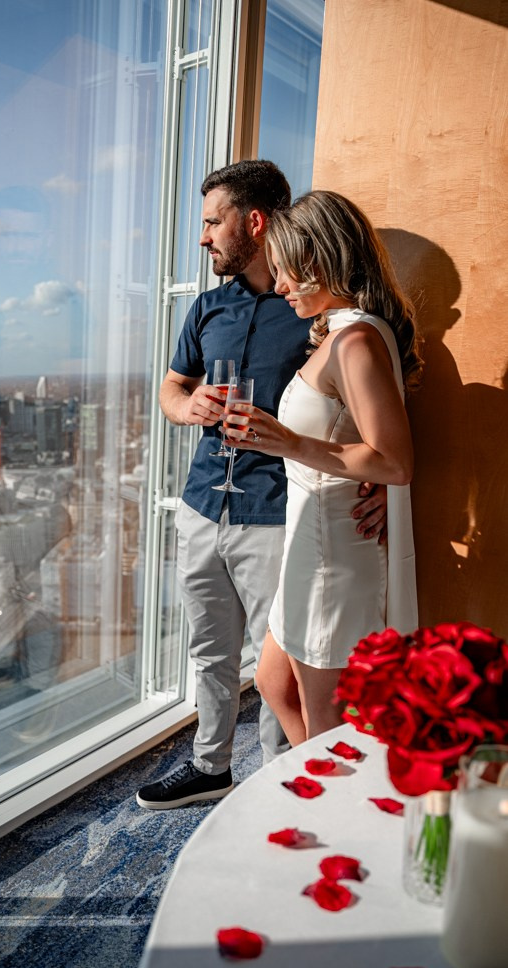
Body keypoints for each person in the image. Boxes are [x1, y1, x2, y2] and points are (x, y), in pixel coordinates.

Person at [136, 164, 387, 810]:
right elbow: (170, 388)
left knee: (280, 665)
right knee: (209, 649)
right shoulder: (206, 307)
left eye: (211, 221)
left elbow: (370, 420)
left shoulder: (315, 312)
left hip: (280, 514)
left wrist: (384, 485)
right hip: (201, 504)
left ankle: (283, 778)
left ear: (253, 222)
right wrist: (187, 406)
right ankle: (209, 765)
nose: (203, 238)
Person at [225, 190, 422, 745]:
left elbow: (395, 461)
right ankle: (300, 795)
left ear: (318, 259)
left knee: (328, 735)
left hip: (334, 558)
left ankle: (325, 820)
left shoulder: (355, 339)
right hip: (307, 546)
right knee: (272, 683)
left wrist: (286, 442)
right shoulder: (342, 334)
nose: (280, 285)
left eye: (285, 270)